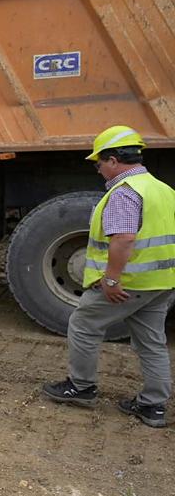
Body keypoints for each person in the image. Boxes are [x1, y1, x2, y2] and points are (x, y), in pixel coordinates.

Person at [42, 126, 175, 428]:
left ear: (113, 160)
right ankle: (153, 406)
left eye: (99, 162)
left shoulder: (125, 192)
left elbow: (124, 238)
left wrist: (112, 279)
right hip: (161, 282)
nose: (98, 169)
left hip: (128, 284)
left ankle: (81, 387)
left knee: (83, 325)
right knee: (152, 342)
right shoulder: (163, 189)